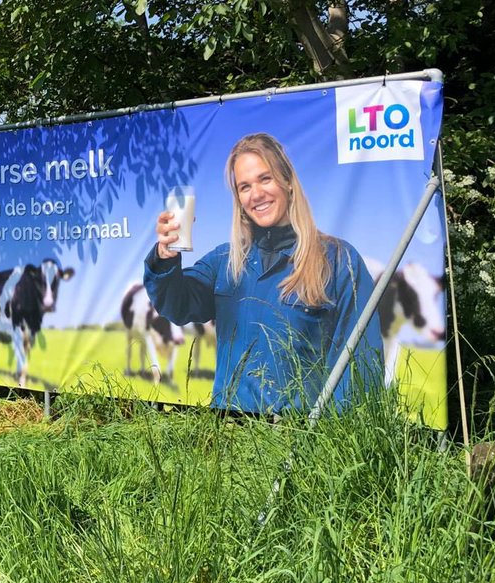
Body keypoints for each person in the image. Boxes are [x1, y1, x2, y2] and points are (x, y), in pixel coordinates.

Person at [144, 132, 382, 413]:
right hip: (228, 429)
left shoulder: (339, 260)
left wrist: (327, 436)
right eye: (244, 187)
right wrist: (165, 256)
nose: (256, 194)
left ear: (288, 182)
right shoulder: (225, 261)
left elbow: (360, 367)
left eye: (265, 179)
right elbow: (177, 305)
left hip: (299, 433)